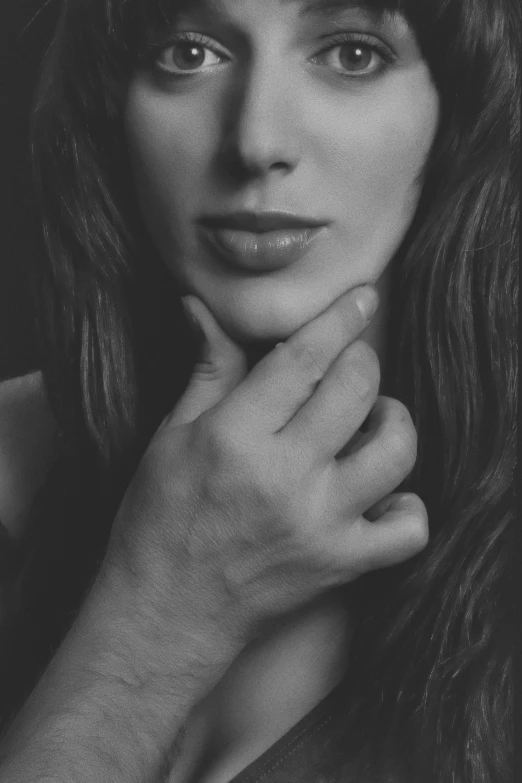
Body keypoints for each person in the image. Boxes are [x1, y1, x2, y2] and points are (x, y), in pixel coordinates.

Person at [0, 0, 516, 781]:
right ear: (109, 107)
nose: (255, 142)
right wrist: (156, 615)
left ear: (465, 108)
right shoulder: (12, 463)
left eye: (351, 55)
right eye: (190, 53)